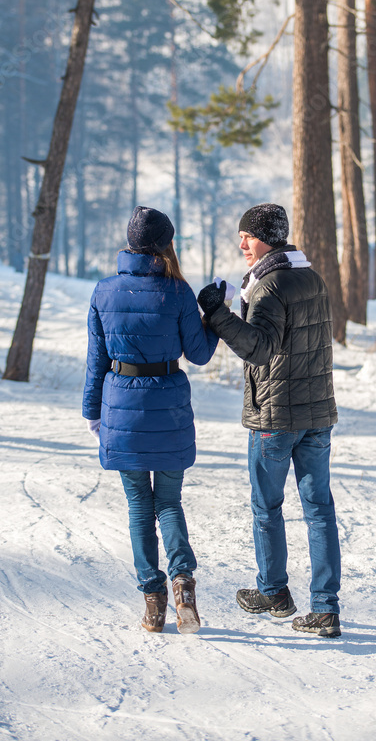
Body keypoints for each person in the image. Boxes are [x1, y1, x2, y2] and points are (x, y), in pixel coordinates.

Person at [197, 203, 341, 638]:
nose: (242, 244)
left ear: (268, 238)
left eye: (248, 236)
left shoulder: (269, 285)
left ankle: (274, 591)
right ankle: (325, 609)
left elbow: (260, 348)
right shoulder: (310, 277)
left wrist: (217, 313)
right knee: (319, 511)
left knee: (267, 507)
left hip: (276, 417)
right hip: (317, 414)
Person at [82, 206, 218, 635]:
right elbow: (198, 354)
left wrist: (92, 412)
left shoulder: (104, 292)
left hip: (121, 406)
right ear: (165, 245)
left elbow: (96, 362)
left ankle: (153, 603)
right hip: (169, 407)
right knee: (170, 503)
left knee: (140, 505)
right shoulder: (177, 292)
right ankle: (183, 584)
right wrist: (215, 315)